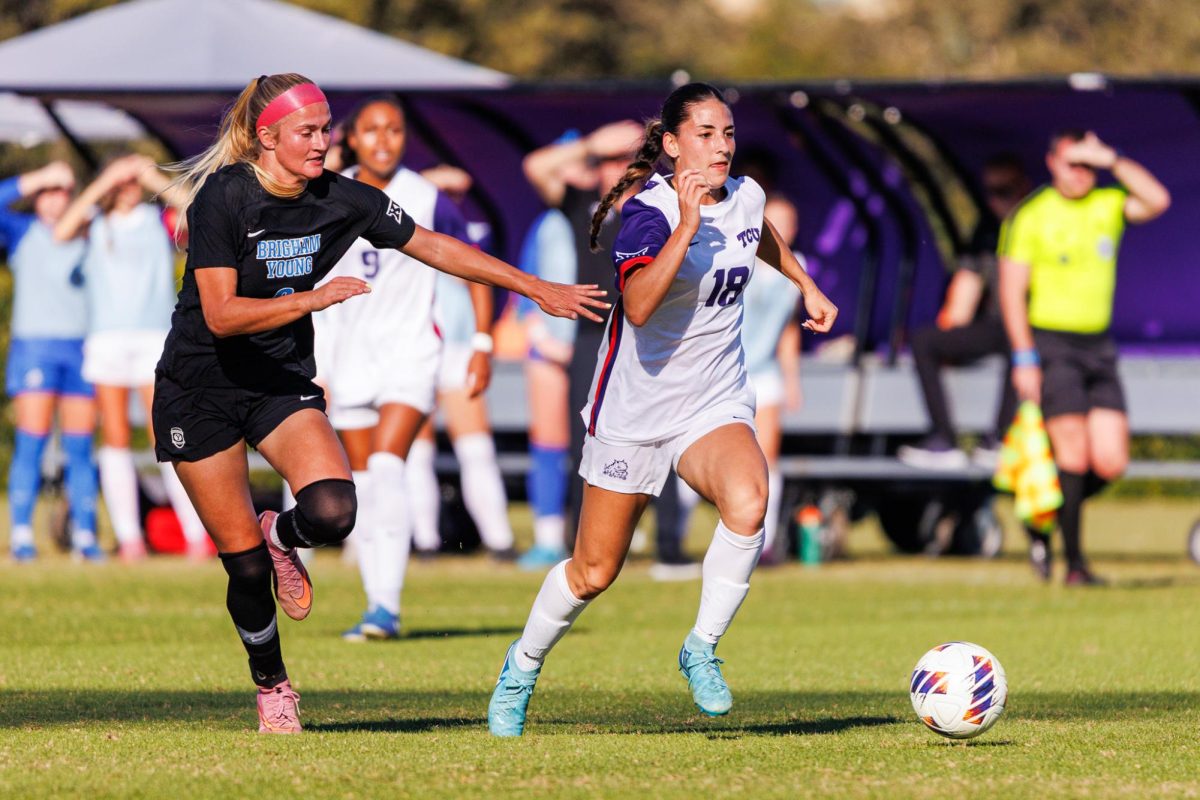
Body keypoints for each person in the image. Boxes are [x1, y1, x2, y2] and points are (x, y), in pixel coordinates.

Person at [152, 72, 607, 734]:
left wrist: (533, 286)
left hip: (279, 382)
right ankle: (273, 685)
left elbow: (435, 245)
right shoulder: (224, 196)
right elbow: (220, 316)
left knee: (335, 511)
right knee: (243, 566)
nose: (322, 140)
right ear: (265, 136)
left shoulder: (343, 198)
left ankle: (283, 532)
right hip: (201, 389)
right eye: (307, 131)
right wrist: (310, 300)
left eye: (326, 127)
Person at [487, 83, 837, 736]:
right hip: (633, 412)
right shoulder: (646, 214)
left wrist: (805, 283)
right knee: (593, 571)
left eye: (728, 132)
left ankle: (701, 646)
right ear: (674, 146)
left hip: (713, 401)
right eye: (705, 134)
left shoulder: (749, 195)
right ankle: (523, 664)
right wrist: (687, 225)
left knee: (750, 501)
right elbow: (640, 305)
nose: (722, 145)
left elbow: (759, 235)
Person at [522, 120, 693, 578]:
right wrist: (593, 144)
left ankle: (671, 549)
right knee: (587, 442)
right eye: (611, 163)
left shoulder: (657, 209)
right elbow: (536, 167)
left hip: (646, 335)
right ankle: (582, 547)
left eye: (630, 162)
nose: (621, 170)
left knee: (663, 437)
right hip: (590, 337)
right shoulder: (583, 207)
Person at [998, 129, 1170, 585]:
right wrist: (1023, 356)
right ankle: (1074, 565)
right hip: (1052, 344)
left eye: (1087, 165)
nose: (1081, 173)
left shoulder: (1106, 204)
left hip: (1098, 345)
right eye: (1073, 163)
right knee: (1071, 454)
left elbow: (1156, 199)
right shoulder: (1031, 216)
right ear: (1052, 162)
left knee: (1109, 461)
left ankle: (1042, 518)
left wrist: (1110, 158)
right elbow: (1012, 292)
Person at [54, 154, 208, 562]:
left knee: (167, 435)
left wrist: (148, 174)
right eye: (119, 182)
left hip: (153, 337)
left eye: (129, 182)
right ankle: (130, 538)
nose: (125, 187)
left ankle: (195, 535)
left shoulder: (158, 223)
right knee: (116, 436)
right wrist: (104, 182)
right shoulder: (94, 226)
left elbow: (196, 209)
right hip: (106, 340)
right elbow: (62, 231)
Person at [406, 164, 518, 563]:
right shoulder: (403, 227)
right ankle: (425, 540)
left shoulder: (465, 233)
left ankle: (500, 539)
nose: (448, 201)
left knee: (475, 446)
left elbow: (478, 285)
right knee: (415, 451)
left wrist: (480, 343)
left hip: (455, 348)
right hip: (413, 346)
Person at [898, 155, 1030, 470]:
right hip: (997, 325)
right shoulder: (987, 231)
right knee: (925, 340)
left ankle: (1001, 439)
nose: (997, 199)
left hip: (1034, 327)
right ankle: (944, 439)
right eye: (992, 191)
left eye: (1006, 190)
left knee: (1020, 335)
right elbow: (965, 290)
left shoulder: (1041, 223)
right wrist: (949, 335)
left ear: (1024, 188)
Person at [0, 162, 100, 562]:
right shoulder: (22, 232)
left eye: (64, 190)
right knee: (32, 442)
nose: (56, 197)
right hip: (35, 347)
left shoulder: (90, 233)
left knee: (80, 448)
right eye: (49, 190)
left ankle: (86, 536)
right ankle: (22, 534)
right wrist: (34, 177)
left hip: (80, 349)